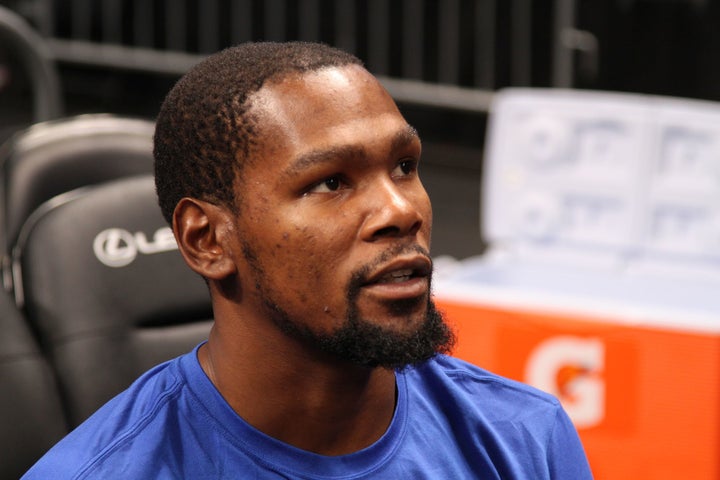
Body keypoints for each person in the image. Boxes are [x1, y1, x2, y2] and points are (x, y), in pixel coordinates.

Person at [23, 41, 593, 479]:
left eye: (404, 166)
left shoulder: (524, 439)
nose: (401, 210)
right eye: (331, 183)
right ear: (207, 241)